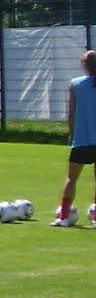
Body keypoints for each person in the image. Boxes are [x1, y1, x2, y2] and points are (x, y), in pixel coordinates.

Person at [51, 51, 96, 226]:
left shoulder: (76, 84)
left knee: (71, 178)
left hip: (82, 139)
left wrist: (71, 133)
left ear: (84, 65)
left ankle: (63, 217)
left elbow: (71, 113)